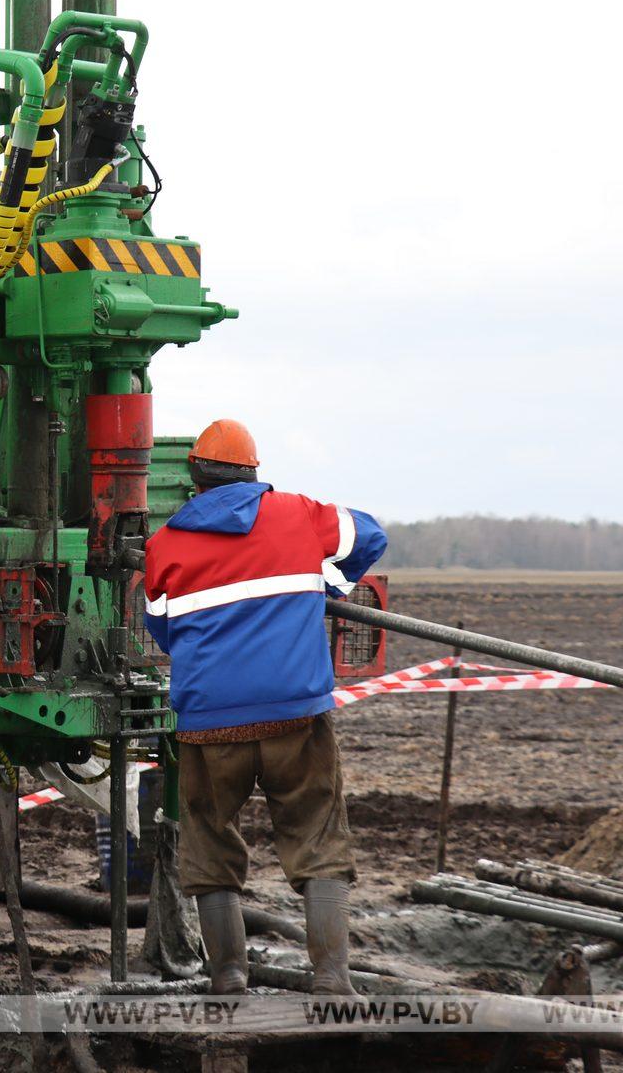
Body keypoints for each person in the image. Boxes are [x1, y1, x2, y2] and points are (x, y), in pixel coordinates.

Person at [143, 419, 387, 995]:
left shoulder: (165, 545)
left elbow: (161, 624)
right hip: (295, 715)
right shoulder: (298, 514)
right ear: (255, 474)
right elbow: (370, 535)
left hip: (209, 724)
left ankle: (228, 975)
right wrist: (326, 582)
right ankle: (331, 978)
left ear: (194, 478)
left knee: (208, 837)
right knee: (317, 834)